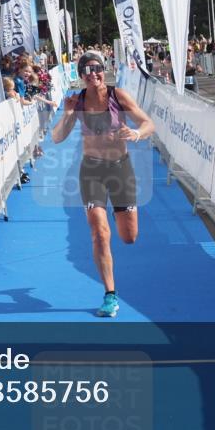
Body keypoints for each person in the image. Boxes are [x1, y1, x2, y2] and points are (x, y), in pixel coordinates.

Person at [51, 50, 155, 318]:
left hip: (120, 169)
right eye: (86, 70)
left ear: (103, 70)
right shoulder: (78, 100)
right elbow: (57, 138)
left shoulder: (117, 96)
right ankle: (110, 295)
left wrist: (136, 133)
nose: (93, 74)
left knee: (128, 237)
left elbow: (148, 123)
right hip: (92, 170)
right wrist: (67, 114)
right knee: (99, 232)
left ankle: (119, 214)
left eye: (97, 68)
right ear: (81, 75)